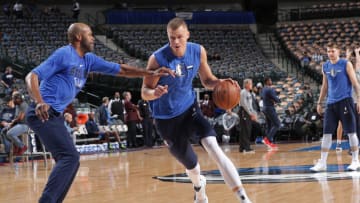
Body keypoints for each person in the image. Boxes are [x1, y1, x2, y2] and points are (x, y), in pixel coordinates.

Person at [25, 22, 171, 203]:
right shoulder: (64, 54)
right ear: (78, 37)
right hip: (42, 113)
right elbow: (32, 76)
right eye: (90, 34)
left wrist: (151, 72)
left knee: (71, 160)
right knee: (69, 157)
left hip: (55, 114)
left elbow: (122, 70)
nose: (93, 38)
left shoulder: (89, 60)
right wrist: (40, 102)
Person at [141, 17, 251, 203]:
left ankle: (244, 199)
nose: (175, 42)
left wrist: (221, 83)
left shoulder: (197, 51)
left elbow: (207, 80)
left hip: (189, 110)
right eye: (171, 38)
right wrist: (155, 93)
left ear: (187, 35)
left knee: (214, 148)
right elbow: (144, 92)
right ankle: (199, 190)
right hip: (166, 119)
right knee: (192, 166)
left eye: (179, 37)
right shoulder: (157, 59)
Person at [310, 43, 360, 172]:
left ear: (338, 51)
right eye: (328, 51)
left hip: (345, 101)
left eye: (332, 51)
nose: (330, 53)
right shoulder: (325, 66)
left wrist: (359, 99)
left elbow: (355, 83)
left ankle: (355, 160)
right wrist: (319, 102)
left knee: (351, 132)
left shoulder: (346, 64)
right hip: (330, 104)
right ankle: (323, 162)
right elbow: (324, 86)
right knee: (326, 133)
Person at [261, 77, 281, 144]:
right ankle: (267, 139)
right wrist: (278, 98)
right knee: (277, 124)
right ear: (267, 82)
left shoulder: (263, 89)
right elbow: (277, 100)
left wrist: (274, 94)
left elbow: (270, 96)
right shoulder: (269, 89)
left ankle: (269, 141)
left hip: (265, 108)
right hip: (269, 108)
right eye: (270, 80)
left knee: (269, 125)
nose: (271, 81)